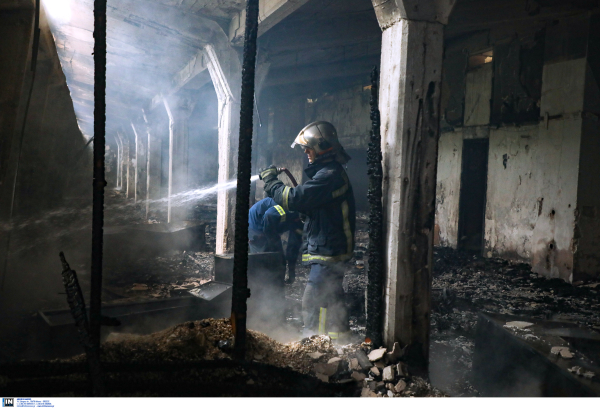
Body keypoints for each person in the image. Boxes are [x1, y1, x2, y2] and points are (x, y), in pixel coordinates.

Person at [259, 121, 355, 341]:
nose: (305, 152)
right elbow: (316, 205)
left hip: (329, 251)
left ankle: (314, 343)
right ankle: (340, 340)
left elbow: (293, 198)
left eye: (308, 147)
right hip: (331, 247)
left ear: (322, 147)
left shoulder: (329, 175)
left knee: (313, 301)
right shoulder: (329, 172)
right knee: (331, 298)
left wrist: (271, 181)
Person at [248, 197, 303, 284]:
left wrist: (292, 272)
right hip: (256, 227)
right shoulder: (289, 209)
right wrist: (271, 242)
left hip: (269, 227)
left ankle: (277, 287)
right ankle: (259, 288)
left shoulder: (299, 223)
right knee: (263, 261)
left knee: (279, 259)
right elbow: (269, 215)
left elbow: (293, 247)